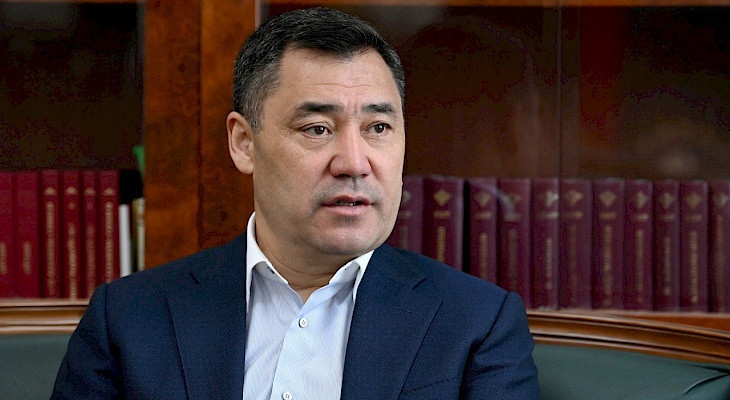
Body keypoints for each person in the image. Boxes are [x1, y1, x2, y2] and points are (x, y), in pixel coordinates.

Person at [51, 7, 539, 399]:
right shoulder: (129, 320)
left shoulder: (477, 324)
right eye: (317, 129)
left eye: (378, 128)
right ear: (244, 143)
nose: (354, 162)